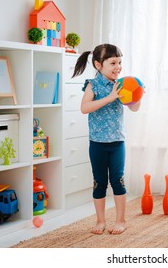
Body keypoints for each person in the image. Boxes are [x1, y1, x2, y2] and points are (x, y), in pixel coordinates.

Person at [72, 43, 141, 235]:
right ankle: (100, 221)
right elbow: (85, 108)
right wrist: (110, 98)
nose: (118, 66)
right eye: (113, 63)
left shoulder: (122, 84)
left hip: (117, 142)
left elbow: (133, 108)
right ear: (98, 64)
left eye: (119, 62)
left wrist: (139, 95)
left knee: (118, 181)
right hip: (97, 143)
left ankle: (121, 220)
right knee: (99, 182)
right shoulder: (92, 85)